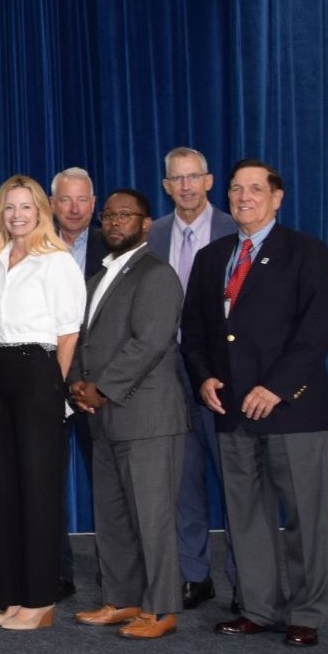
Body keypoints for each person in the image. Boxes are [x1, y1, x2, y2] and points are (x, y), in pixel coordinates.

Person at [183, 160, 328, 648]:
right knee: (246, 515)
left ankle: (305, 612)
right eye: (235, 189)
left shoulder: (305, 252)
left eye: (254, 189)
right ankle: (258, 607)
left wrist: (276, 388)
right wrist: (205, 376)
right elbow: (197, 332)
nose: (243, 197)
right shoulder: (213, 258)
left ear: (277, 197)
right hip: (230, 411)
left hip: (291, 409)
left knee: (303, 518)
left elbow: (316, 333)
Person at [67, 189, 187, 640]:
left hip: (149, 419)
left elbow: (150, 341)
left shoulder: (156, 275)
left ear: (146, 222)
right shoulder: (99, 277)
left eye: (125, 215)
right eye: (109, 216)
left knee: (152, 517)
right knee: (113, 515)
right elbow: (83, 340)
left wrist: (102, 388)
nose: (115, 222)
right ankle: (122, 599)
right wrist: (77, 383)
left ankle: (161, 609)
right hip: (104, 416)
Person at [0, 176, 85, 632]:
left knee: (38, 490)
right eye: (9, 207)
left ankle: (41, 601)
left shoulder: (57, 261)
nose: (17, 215)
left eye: (26, 207)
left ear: (41, 210)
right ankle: (12, 598)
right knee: (4, 490)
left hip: (39, 371)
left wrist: (54, 392)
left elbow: (68, 334)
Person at [146, 146, 238, 610]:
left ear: (209, 181)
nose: (185, 186)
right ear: (166, 187)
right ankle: (194, 574)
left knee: (236, 481)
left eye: (193, 177)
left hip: (222, 374)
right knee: (181, 480)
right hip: (166, 372)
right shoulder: (154, 234)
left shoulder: (234, 229)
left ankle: (247, 581)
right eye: (176, 179)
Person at [50, 165, 102, 595]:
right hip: (46, 382)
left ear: (94, 204)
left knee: (109, 482)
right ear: (52, 205)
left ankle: (117, 570)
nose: (73, 208)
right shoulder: (34, 246)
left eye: (82, 199)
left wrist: (90, 382)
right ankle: (57, 571)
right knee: (48, 481)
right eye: (65, 199)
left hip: (99, 388)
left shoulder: (116, 244)